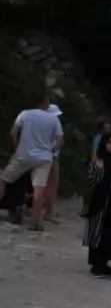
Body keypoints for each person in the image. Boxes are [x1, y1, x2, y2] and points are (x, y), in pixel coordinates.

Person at [1, 95, 64, 231]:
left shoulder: (24, 114)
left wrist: (17, 149)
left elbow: (13, 133)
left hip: (24, 155)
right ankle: (36, 222)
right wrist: (50, 150)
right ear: (45, 103)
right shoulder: (54, 119)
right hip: (44, 158)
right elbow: (60, 140)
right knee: (39, 189)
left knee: (3, 181)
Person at [83, 133, 111, 277]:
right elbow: (92, 182)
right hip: (101, 203)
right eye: (110, 142)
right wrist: (99, 170)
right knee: (98, 233)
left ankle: (104, 264)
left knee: (110, 234)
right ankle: (96, 264)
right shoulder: (98, 161)